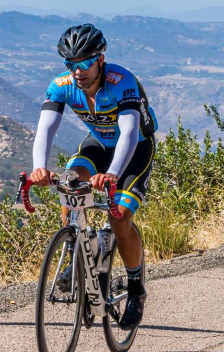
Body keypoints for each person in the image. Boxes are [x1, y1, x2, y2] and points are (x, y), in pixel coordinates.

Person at [28, 23, 158, 329]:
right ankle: (76, 251)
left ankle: (136, 289)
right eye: (70, 64)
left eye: (85, 63)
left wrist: (112, 174)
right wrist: (39, 167)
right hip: (98, 143)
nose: (78, 71)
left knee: (119, 218)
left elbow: (129, 133)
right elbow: (45, 128)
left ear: (100, 59)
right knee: (70, 183)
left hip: (135, 148)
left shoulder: (122, 82)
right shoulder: (61, 85)